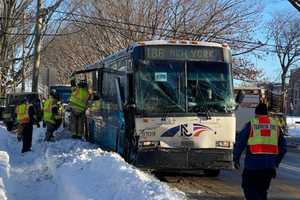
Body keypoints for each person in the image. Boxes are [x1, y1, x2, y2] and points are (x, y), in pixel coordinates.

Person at [233, 102, 287, 200]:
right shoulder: (275, 126)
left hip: (253, 167)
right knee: (262, 191)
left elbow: (240, 143)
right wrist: (276, 162)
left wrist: (235, 159)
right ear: (267, 113)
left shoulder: (252, 124)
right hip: (268, 168)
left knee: (249, 189)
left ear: (256, 113)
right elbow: (283, 148)